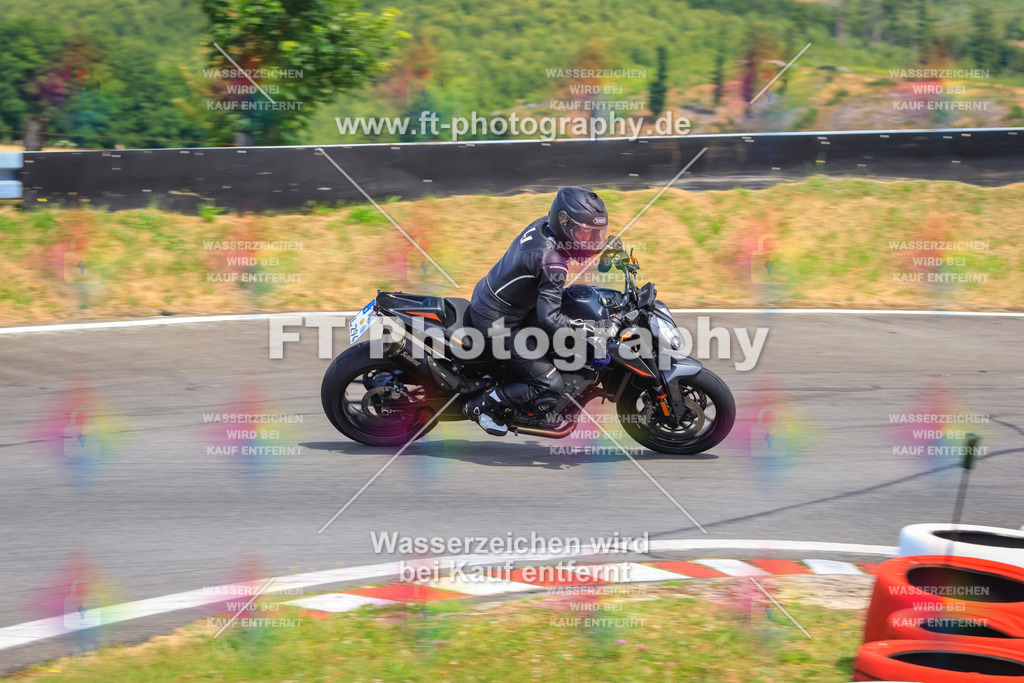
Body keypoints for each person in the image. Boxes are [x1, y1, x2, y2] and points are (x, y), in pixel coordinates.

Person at [463, 186, 613, 436]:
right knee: (551, 384)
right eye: (586, 233)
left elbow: (575, 247)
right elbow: (550, 318)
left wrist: (603, 248)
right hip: (498, 321)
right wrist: (589, 330)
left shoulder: (545, 225)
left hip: (500, 299)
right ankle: (484, 405)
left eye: (597, 233)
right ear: (564, 223)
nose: (591, 240)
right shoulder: (552, 262)